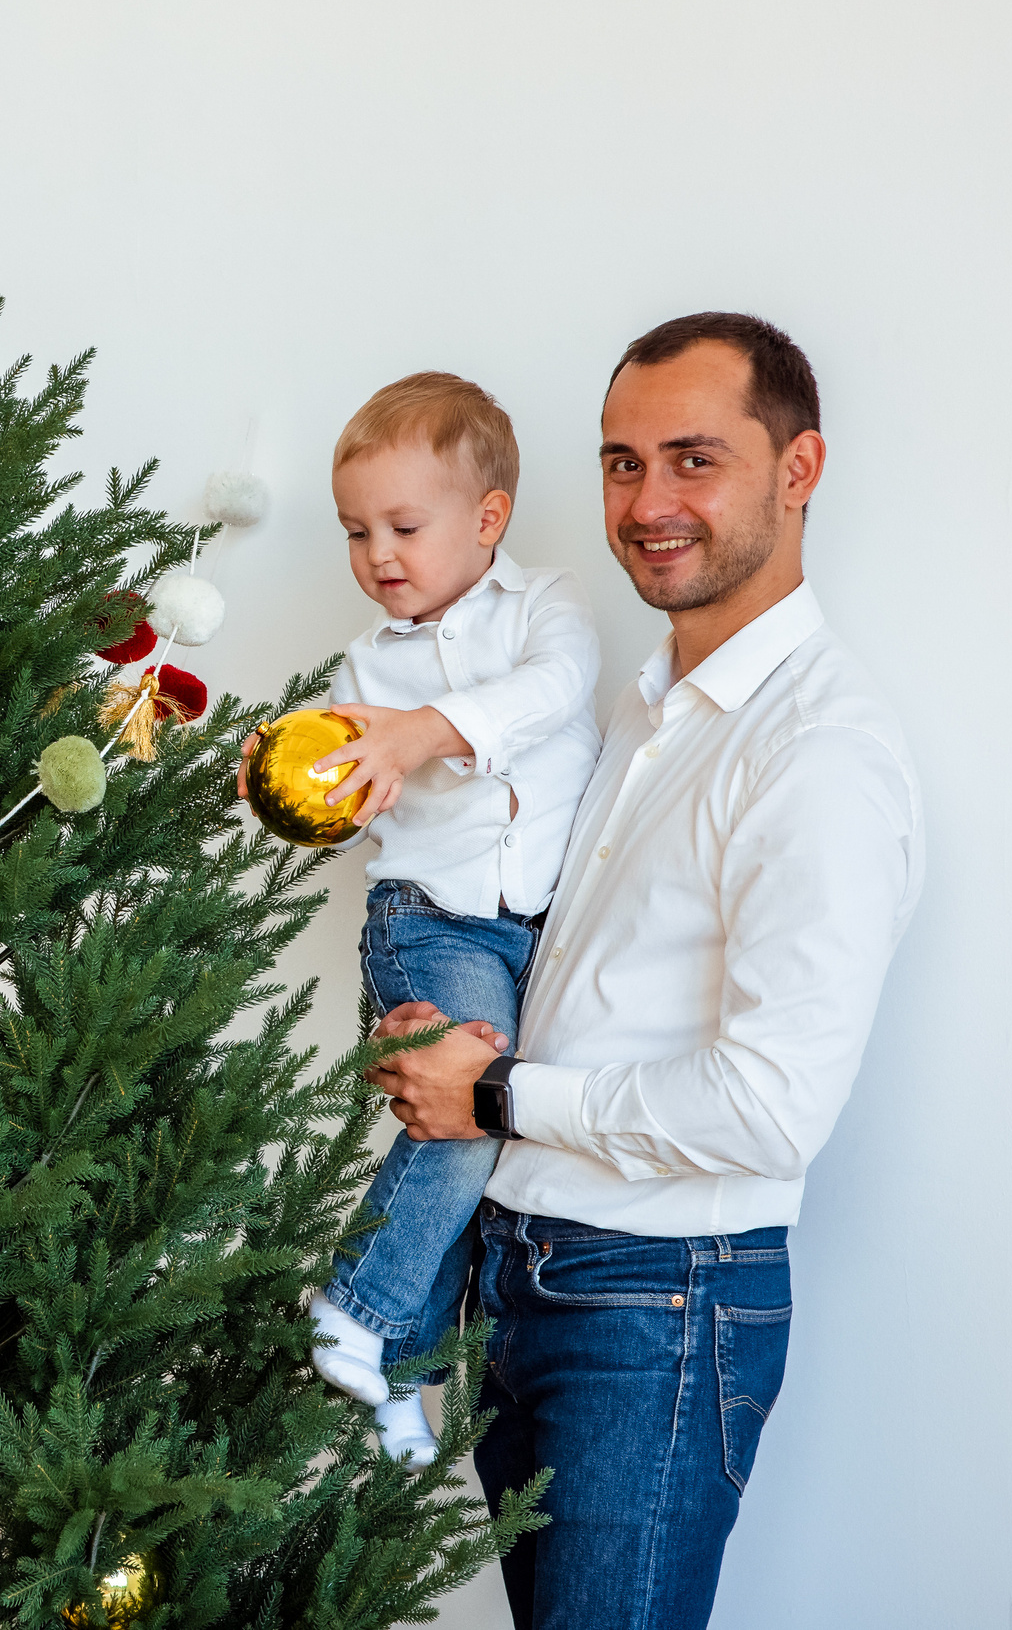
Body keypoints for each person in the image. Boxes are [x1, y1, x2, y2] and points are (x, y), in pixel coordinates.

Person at [361, 315, 924, 1629]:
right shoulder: (636, 703)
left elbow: (773, 1103)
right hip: (525, 1274)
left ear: (800, 469)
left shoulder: (820, 754)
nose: (649, 503)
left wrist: (494, 1095)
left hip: (657, 1303)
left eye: (694, 459)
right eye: (622, 463)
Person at [248, 373, 601, 1465]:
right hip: (430, 923)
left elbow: (556, 687)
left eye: (403, 526)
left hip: (532, 932)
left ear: (486, 518)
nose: (377, 556)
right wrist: (296, 778)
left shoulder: (549, 608)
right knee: (464, 1120)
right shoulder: (364, 670)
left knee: (484, 1149)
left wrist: (424, 733)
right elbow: (349, 812)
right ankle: (354, 1305)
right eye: (357, 533)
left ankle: (399, 1372)